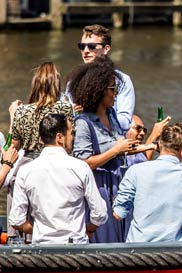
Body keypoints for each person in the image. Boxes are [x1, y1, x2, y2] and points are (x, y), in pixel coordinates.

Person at [9, 114, 108, 244]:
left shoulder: (25, 171)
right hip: (76, 248)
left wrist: (41, 231)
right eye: (71, 133)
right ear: (60, 138)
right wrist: (88, 229)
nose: (74, 137)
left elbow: (16, 220)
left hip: (42, 248)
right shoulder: (80, 168)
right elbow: (99, 213)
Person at [69, 58, 138, 243]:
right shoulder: (84, 123)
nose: (116, 94)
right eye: (113, 89)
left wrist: (149, 146)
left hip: (118, 183)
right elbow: (82, 163)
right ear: (99, 91)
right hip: (99, 188)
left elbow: (119, 146)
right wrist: (116, 150)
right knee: (105, 240)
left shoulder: (112, 115)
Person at [113, 123, 182, 242]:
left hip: (137, 251)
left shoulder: (135, 171)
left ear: (159, 144)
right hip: (175, 253)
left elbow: (118, 213)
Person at [9, 62, 73, 242]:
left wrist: (14, 116)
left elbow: (14, 146)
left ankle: (17, 240)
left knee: (19, 210)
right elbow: (69, 144)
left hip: (27, 166)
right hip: (57, 166)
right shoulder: (65, 108)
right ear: (56, 83)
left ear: (35, 83)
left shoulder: (22, 111)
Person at [73, 24, 135, 131]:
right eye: (82, 46)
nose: (86, 51)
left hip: (111, 140)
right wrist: (75, 113)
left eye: (92, 46)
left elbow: (125, 123)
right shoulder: (73, 81)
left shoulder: (121, 80)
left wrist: (95, 113)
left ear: (106, 49)